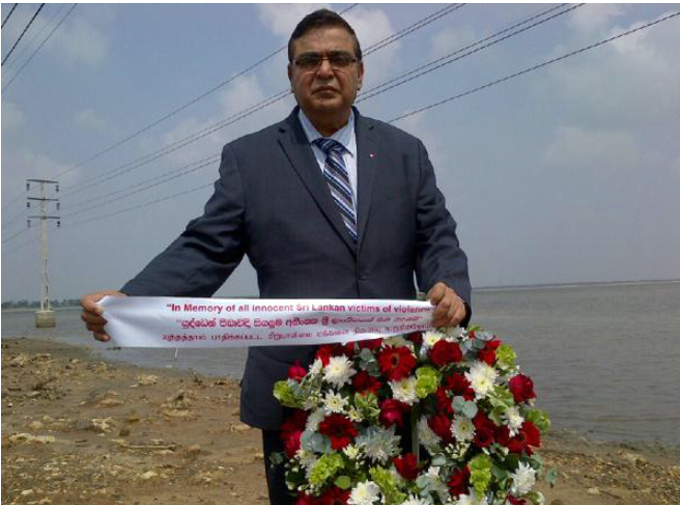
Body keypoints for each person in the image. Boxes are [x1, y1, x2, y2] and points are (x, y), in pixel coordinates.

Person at [80, 9, 471, 505]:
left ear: (360, 71)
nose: (324, 70)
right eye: (309, 61)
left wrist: (450, 285)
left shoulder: (404, 152)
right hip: (294, 388)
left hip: (393, 383)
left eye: (339, 59)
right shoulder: (250, 159)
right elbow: (206, 247)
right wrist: (131, 302)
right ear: (290, 74)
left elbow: (437, 236)